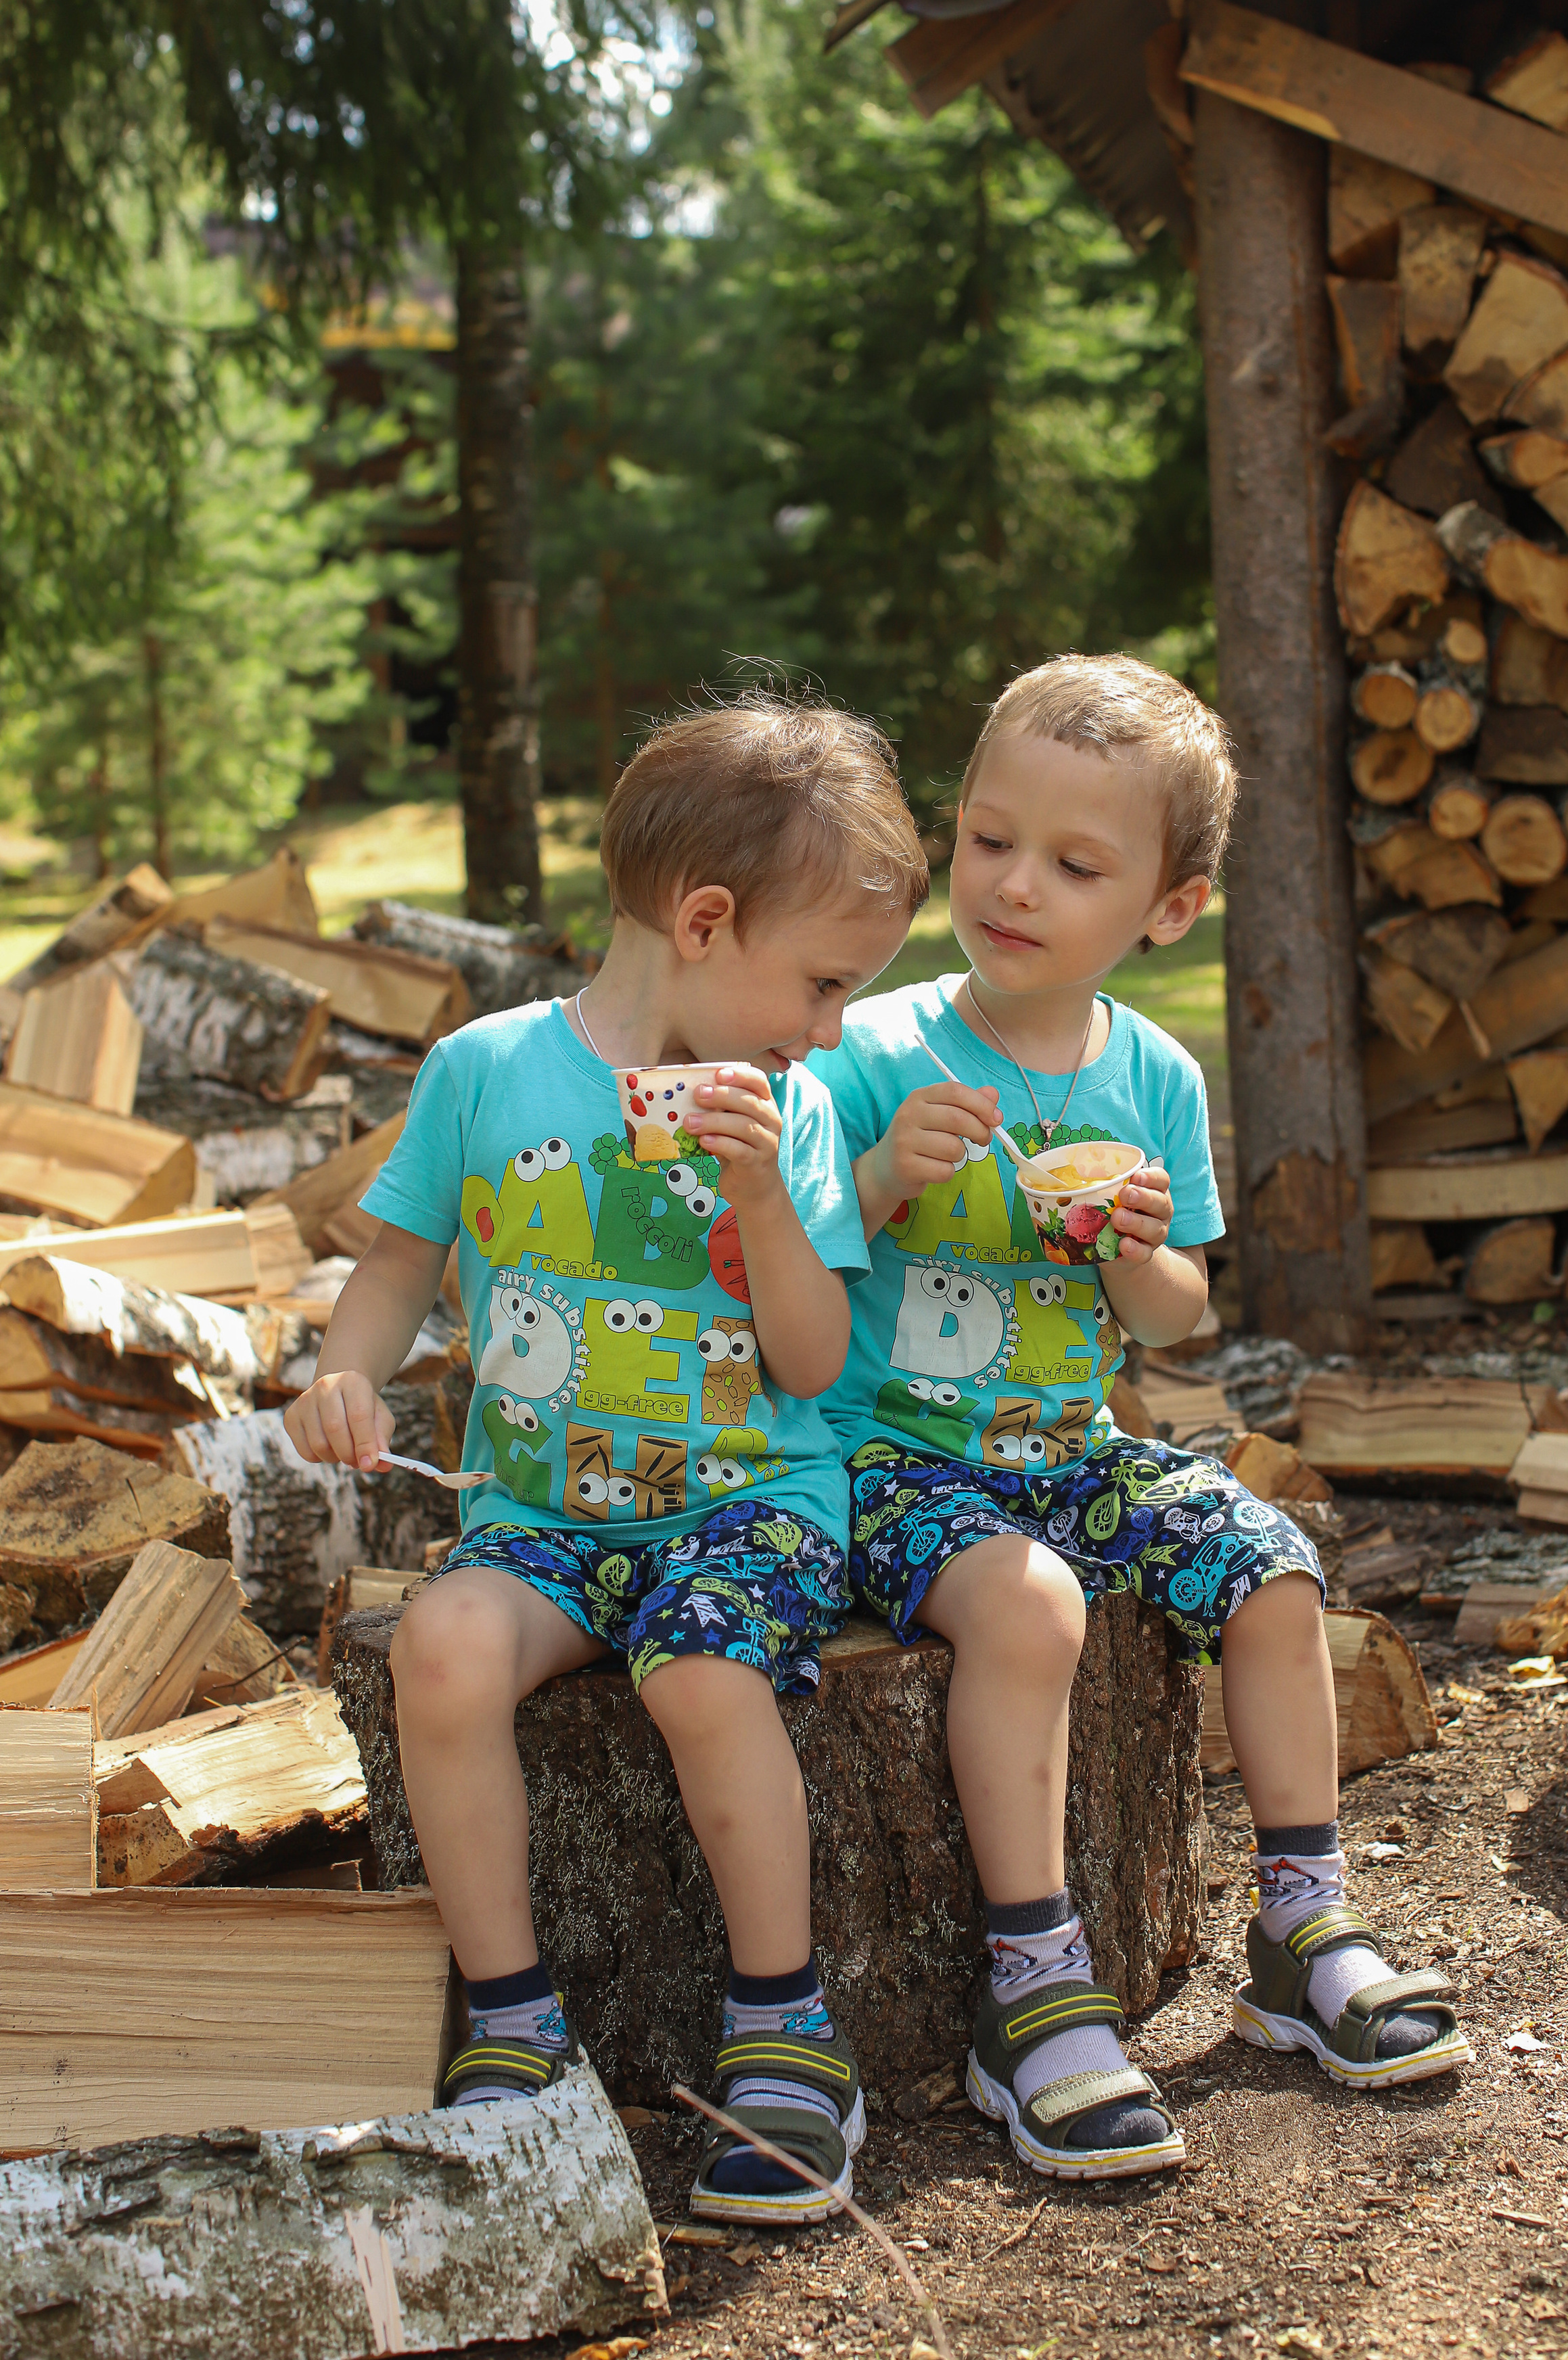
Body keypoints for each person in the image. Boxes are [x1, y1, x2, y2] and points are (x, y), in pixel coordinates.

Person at [806, 653, 1470, 2183]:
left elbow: (1180, 1317)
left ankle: (1305, 1923)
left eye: (1072, 863)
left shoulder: (1151, 1072)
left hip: (1071, 1452)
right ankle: (1033, 1990)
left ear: (1165, 913)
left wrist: (1131, 1244)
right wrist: (888, 1172)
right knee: (1032, 1610)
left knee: (1270, 1563)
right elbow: (787, 1264)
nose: (1012, 884)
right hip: (886, 1466)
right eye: (987, 841)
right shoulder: (870, 1050)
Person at [284, 692, 925, 2225]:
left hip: (745, 1503)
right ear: (704, 921)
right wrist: (340, 1373)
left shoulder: (796, 1109)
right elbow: (393, 1262)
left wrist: (765, 1198)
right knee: (435, 1648)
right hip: (545, 1521)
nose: (832, 1026)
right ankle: (511, 2026)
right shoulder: (485, 1071)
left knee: (701, 1673)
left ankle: (786, 2031)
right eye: (823, 980)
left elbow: (815, 1363)